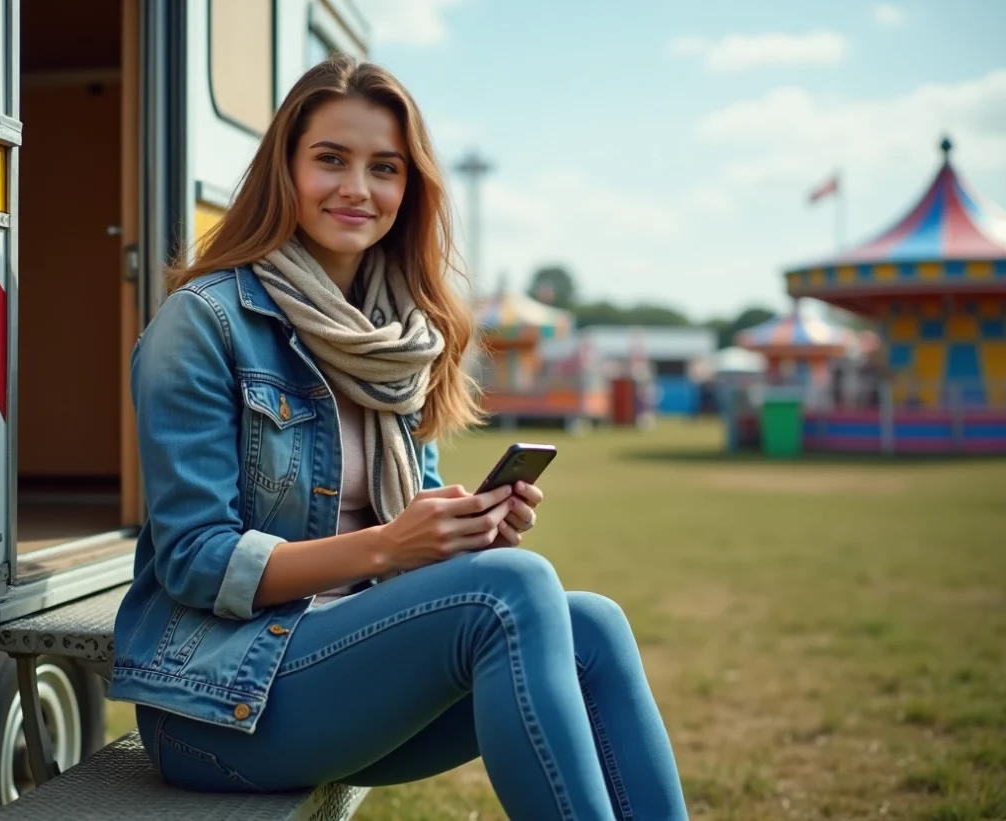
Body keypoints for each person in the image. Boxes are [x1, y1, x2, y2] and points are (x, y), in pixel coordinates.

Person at [110, 54, 688, 821]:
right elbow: (194, 559)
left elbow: (410, 520)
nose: (358, 187)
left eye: (384, 167)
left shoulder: (396, 336)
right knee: (511, 591)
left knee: (593, 625)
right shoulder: (204, 323)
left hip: (346, 668)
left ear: (409, 188)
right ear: (285, 170)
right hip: (218, 703)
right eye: (331, 159)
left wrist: (461, 530)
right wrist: (389, 546)